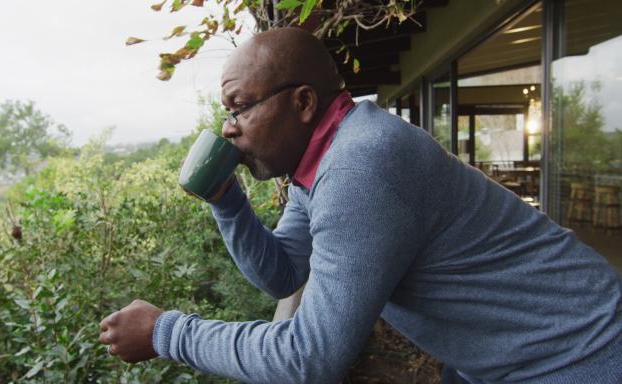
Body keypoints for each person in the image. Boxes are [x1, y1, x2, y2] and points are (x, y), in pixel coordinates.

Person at [99, 27, 622, 383]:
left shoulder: (359, 167)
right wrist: (225, 200)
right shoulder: (324, 161)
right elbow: (284, 274)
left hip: (578, 356)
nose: (227, 127)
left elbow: (311, 356)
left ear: (303, 103)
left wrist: (168, 332)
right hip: (503, 354)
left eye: (240, 107)